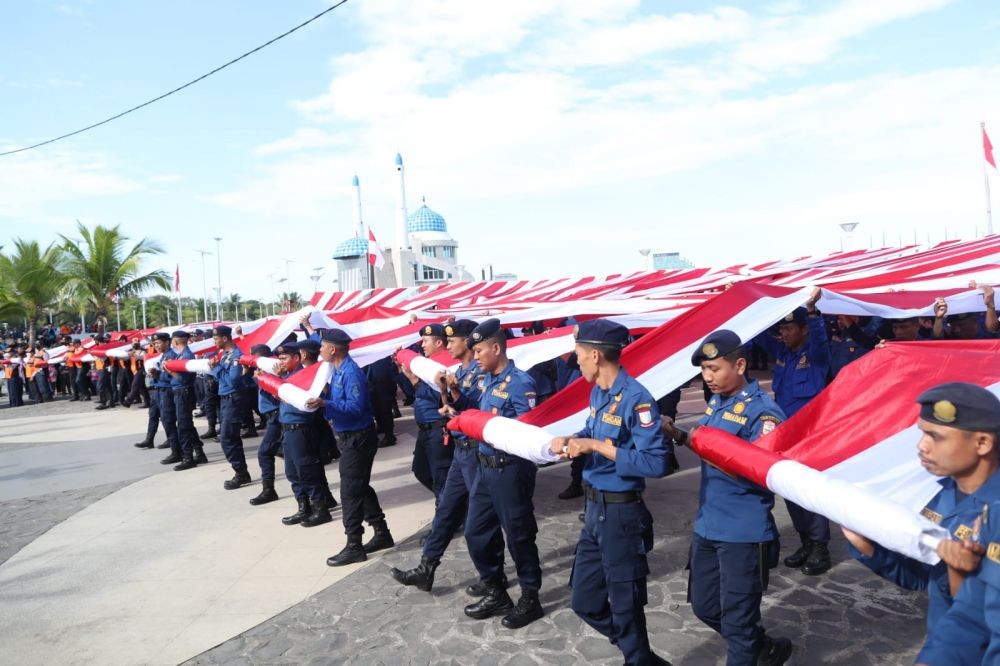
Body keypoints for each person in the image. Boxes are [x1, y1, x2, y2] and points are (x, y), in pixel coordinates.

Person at [662, 329, 792, 665]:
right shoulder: (718, 402)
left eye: (715, 369)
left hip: (743, 534)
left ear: (740, 365)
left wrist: (698, 444)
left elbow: (760, 470)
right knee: (705, 607)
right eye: (704, 370)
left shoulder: (764, 413)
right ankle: (760, 644)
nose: (708, 377)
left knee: (737, 623)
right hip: (708, 525)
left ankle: (751, 645)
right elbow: (707, 444)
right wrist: (676, 433)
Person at [549, 320, 671, 666]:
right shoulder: (599, 392)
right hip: (594, 512)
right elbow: (592, 430)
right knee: (584, 601)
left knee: (625, 603)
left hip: (621, 515)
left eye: (579, 355)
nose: (576, 361)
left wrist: (597, 448)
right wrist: (572, 440)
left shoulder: (638, 400)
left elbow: (656, 463)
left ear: (596, 355)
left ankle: (637, 657)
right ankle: (641, 656)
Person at [843, 382, 1000, 635]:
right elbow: (924, 578)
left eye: (936, 436)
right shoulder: (937, 493)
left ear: (982, 443)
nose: (921, 446)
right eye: (922, 433)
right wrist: (866, 545)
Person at [390, 319, 488, 591]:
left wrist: (451, 397)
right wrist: (449, 395)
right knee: (445, 511)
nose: (449, 345)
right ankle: (426, 568)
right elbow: (456, 405)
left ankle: (493, 578)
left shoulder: (479, 374)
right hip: (460, 449)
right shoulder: (462, 373)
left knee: (480, 524)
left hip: (476, 453)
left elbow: (479, 412)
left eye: (453, 340)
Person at [462, 318, 543, 629]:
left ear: (496, 348)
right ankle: (496, 589)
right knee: (475, 532)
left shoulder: (521, 384)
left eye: (480, 350)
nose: (477, 356)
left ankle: (530, 597)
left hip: (510, 471)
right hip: (485, 468)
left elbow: (528, 431)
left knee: (520, 536)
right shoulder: (489, 381)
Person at [753, 289, 833, 576]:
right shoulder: (783, 354)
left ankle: (819, 546)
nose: (784, 333)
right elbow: (759, 336)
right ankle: (805, 541)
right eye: (782, 328)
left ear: (803, 329)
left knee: (810, 491)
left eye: (789, 328)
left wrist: (812, 313)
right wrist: (751, 306)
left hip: (811, 434)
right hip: (786, 433)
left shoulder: (816, 355)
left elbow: (821, 339)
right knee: (790, 489)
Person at [305, 329, 393, 564]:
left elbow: (355, 407)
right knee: (360, 487)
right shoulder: (336, 370)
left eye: (322, 346)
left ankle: (354, 544)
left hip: (358, 437)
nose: (320, 350)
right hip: (348, 437)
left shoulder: (350, 373)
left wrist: (326, 403)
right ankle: (382, 532)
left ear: (333, 349)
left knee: (350, 492)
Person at [398, 323, 452, 501]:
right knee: (421, 470)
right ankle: (454, 507)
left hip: (439, 428)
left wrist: (415, 381)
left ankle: (448, 516)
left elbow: (440, 395)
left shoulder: (445, 364)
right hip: (425, 429)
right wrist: (406, 374)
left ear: (438, 343)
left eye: (425, 341)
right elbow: (415, 394)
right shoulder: (426, 365)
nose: (422, 345)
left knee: (441, 478)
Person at [204, 325, 252, 485]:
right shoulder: (225, 355)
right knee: (231, 438)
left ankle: (241, 473)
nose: (214, 342)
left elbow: (233, 380)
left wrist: (217, 368)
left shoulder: (236, 356)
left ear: (225, 338)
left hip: (233, 399)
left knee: (227, 438)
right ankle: (241, 471)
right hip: (225, 399)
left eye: (216, 339)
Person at [162, 331, 207, 471]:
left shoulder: (186, 356)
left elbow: (184, 379)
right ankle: (199, 453)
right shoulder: (181, 355)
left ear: (175, 342)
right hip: (179, 393)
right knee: (186, 425)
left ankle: (188, 457)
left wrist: (169, 370)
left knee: (183, 426)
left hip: (184, 392)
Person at [248, 344, 282, 506]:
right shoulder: (266, 370)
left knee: (265, 453)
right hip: (272, 417)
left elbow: (276, 393)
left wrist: (262, 378)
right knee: (292, 455)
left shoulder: (273, 370)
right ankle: (322, 495)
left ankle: (269, 490)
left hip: (277, 416)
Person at [135, 333, 169, 449]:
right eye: (154, 343)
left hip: (164, 389)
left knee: (165, 416)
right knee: (153, 414)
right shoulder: (159, 356)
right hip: (156, 389)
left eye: (158, 343)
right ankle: (149, 439)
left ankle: (170, 439)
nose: (156, 345)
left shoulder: (169, 355)